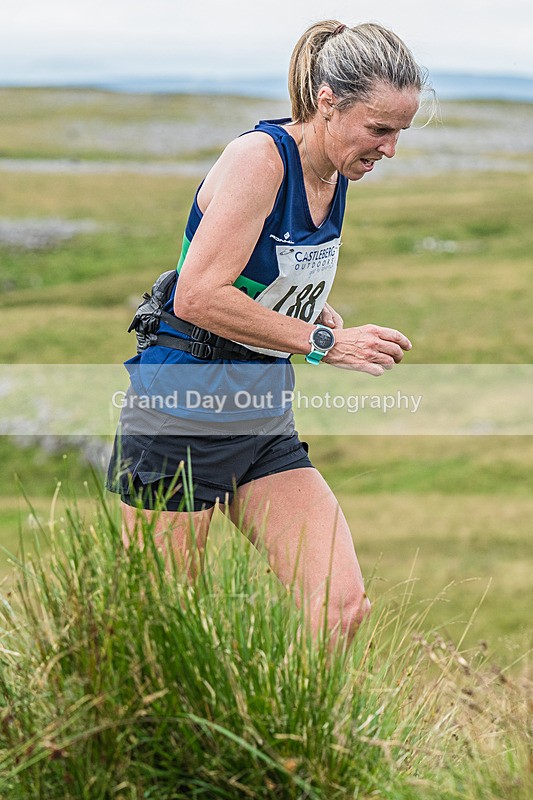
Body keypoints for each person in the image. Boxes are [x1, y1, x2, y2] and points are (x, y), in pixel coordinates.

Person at [107, 19, 427, 652]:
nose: (389, 149)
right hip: (184, 406)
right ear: (328, 102)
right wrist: (323, 344)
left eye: (400, 133)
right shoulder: (260, 159)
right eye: (379, 129)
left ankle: (299, 721)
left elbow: (255, 272)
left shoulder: (335, 172)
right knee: (161, 628)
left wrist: (311, 307)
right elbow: (197, 294)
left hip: (259, 410)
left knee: (340, 606)